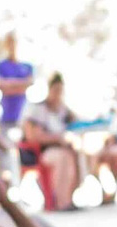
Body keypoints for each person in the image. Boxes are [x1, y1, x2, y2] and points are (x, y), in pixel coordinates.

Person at [15, 73, 80, 208]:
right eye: (55, 90)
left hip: (59, 148)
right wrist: (57, 139)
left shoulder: (61, 109)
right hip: (38, 152)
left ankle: (69, 198)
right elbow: (32, 136)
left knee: (76, 154)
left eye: (60, 91)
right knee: (63, 157)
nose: (57, 94)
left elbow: (76, 122)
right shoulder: (36, 109)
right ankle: (61, 201)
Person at [0, 33, 34, 134]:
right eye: (9, 43)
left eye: (14, 43)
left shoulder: (28, 66)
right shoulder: (0, 65)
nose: (12, 46)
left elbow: (29, 83)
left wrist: (8, 84)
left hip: (23, 114)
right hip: (5, 115)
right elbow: (0, 84)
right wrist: (21, 84)